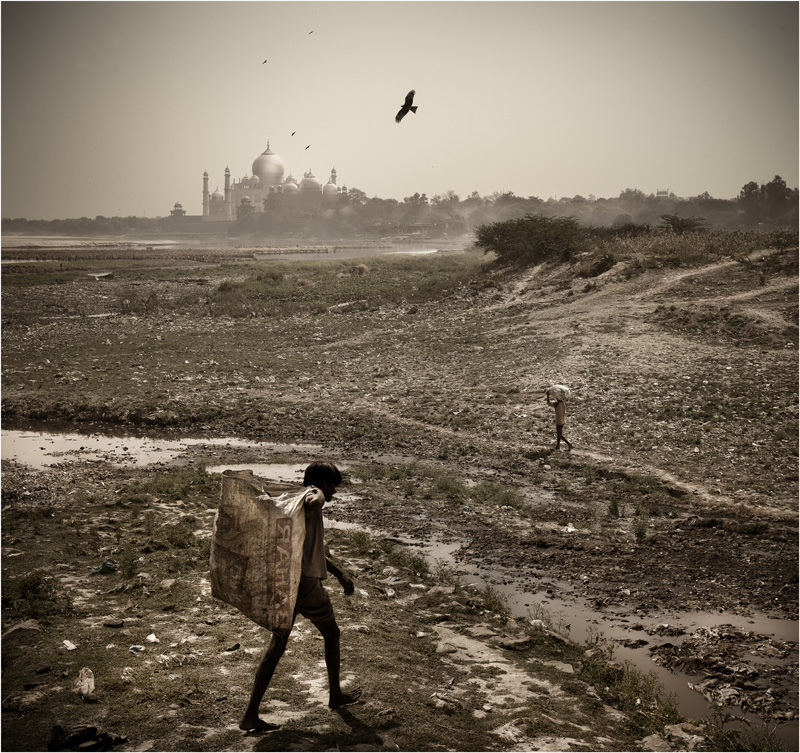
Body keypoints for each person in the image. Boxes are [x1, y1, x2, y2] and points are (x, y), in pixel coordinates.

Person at [239, 461, 362, 732]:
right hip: (306, 587)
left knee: (277, 646)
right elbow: (315, 501)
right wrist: (315, 492)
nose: (334, 492)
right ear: (320, 483)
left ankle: (250, 715)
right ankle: (335, 696)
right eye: (332, 486)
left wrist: (340, 575)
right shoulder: (308, 499)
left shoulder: (297, 507)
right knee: (332, 635)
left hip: (290, 583)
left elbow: (312, 552)